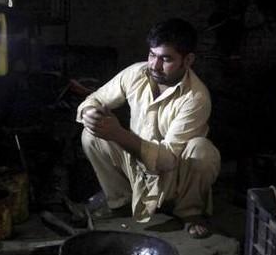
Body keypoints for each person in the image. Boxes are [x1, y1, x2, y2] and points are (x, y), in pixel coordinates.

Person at [76, 18, 221, 238]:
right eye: (152, 55)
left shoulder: (197, 98)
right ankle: (121, 202)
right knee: (91, 134)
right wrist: (91, 114)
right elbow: (94, 99)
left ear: (188, 60)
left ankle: (190, 213)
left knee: (202, 151)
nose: (155, 65)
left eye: (166, 59)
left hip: (173, 176)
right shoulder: (137, 73)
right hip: (138, 167)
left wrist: (117, 133)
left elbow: (167, 160)